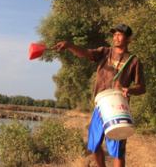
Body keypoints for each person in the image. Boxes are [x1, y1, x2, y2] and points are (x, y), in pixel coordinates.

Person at [54, 24, 146, 167]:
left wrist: (129, 90)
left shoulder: (134, 61)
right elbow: (85, 53)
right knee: (94, 146)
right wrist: (70, 45)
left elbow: (141, 87)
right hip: (101, 106)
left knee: (117, 151)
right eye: (114, 34)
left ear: (129, 39)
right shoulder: (105, 52)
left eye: (120, 34)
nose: (116, 37)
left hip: (118, 108)